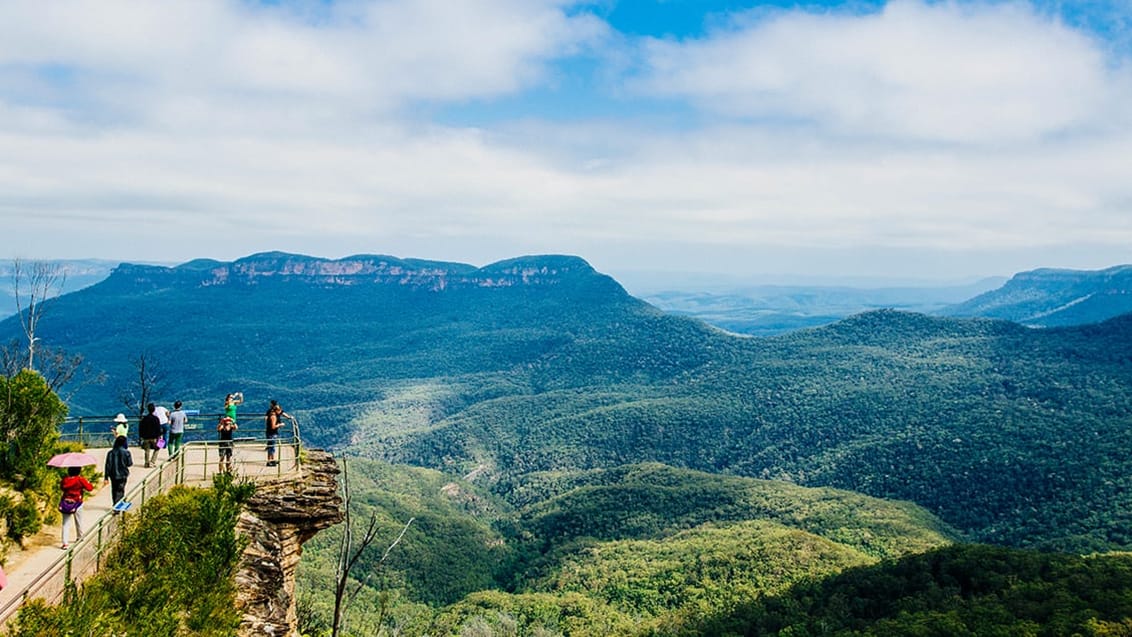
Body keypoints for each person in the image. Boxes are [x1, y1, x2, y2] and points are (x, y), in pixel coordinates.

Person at [59, 466, 94, 549]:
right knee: (79, 520)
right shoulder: (80, 479)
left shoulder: (65, 480)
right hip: (77, 502)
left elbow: (62, 488)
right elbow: (90, 488)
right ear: (79, 471)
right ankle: (80, 536)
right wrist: (87, 482)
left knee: (65, 523)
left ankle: (65, 543)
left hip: (66, 502)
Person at [104, 435, 132, 507]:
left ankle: (115, 503)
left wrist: (106, 477)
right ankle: (118, 506)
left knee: (114, 490)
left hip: (113, 474)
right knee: (121, 490)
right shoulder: (127, 452)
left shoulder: (110, 452)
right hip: (123, 474)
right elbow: (129, 464)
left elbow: (108, 465)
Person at [264, 400, 295, 467]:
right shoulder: (273, 416)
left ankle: (272, 460)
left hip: (272, 433)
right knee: (271, 447)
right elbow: (273, 426)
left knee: (272, 447)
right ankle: (269, 461)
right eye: (279, 411)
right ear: (276, 410)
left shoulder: (272, 413)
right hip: (271, 433)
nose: (280, 412)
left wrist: (289, 417)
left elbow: (266, 419)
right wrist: (280, 424)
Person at [138, 403, 162, 468]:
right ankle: (152, 462)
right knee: (157, 449)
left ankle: (146, 463)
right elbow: (158, 429)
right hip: (154, 437)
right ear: (154, 410)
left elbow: (141, 428)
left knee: (147, 450)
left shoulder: (144, 419)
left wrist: (141, 436)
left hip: (146, 437)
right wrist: (159, 436)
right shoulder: (156, 419)